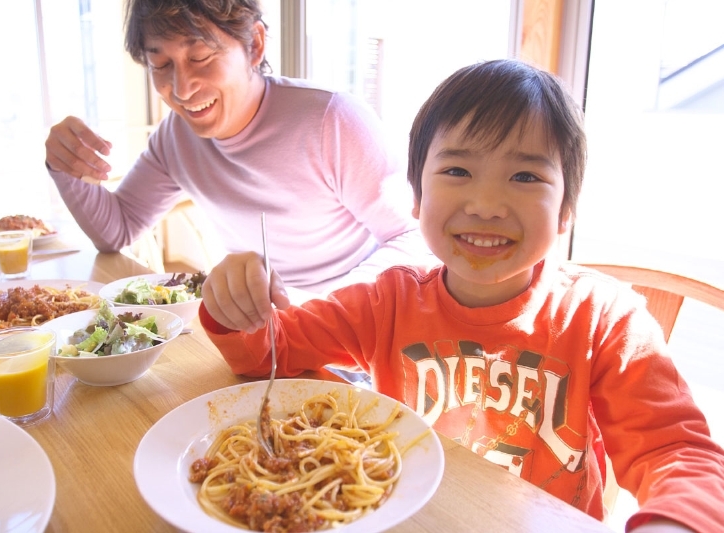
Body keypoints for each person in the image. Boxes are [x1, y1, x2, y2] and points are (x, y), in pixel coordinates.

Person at [199, 59, 724, 532]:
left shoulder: (603, 320)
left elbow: (679, 454)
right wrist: (235, 305)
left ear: (566, 210)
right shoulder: (387, 304)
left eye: (525, 175)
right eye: (457, 170)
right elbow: (269, 352)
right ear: (416, 195)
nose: (486, 203)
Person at [44, 0, 433, 296]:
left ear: (254, 45)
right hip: (260, 334)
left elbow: (412, 237)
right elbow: (117, 230)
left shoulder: (332, 121)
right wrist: (65, 167)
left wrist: (326, 308)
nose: (181, 89)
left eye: (200, 57)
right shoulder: (175, 138)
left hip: (352, 332)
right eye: (160, 65)